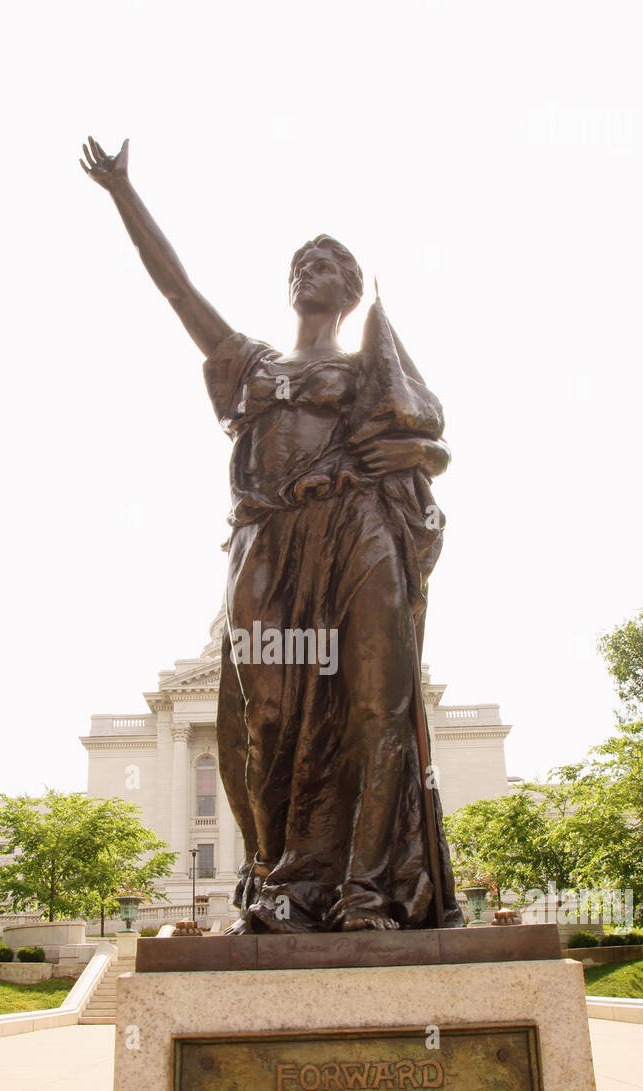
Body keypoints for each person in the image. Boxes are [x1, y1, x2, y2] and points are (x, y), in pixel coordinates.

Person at [81, 136, 463, 933]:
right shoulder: (251, 363)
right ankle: (282, 881)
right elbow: (176, 291)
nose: (307, 271)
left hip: (354, 530)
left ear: (350, 290)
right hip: (269, 541)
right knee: (264, 714)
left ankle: (366, 889)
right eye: (298, 263)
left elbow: (425, 441)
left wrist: (408, 453)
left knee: (373, 705)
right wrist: (123, 194)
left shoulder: (367, 367)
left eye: (324, 264)